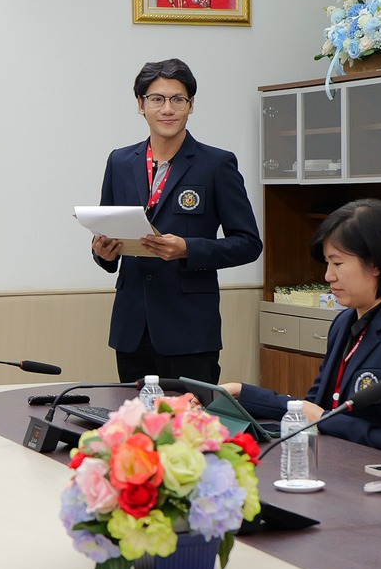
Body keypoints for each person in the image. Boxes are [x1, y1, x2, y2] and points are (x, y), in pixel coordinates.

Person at [92, 58, 261, 386]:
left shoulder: (216, 164)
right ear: (141, 104)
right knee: (134, 417)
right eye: (157, 99)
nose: (167, 109)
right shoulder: (120, 161)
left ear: (191, 105)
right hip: (132, 329)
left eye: (177, 99)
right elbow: (106, 230)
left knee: (193, 417)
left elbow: (248, 243)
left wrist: (188, 249)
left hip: (190, 331)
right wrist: (103, 253)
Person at [230, 198, 381, 453]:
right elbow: (312, 405)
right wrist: (242, 393)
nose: (328, 276)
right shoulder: (344, 322)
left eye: (338, 263)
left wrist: (325, 420)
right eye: (328, 263)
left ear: (375, 264)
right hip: (331, 459)